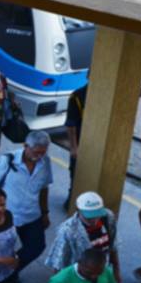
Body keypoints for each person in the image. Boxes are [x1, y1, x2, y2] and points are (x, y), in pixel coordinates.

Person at [0, 130, 53, 283]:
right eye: (36, 152)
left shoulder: (46, 162)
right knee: (0, 249)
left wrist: (45, 212)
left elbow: (44, 188)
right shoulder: (7, 161)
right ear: (25, 146)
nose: (39, 156)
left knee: (36, 247)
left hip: (32, 215)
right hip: (7, 216)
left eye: (43, 153)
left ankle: (11, 271)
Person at [45, 191, 122, 283]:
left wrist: (116, 270)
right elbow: (59, 263)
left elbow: (113, 245)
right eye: (89, 217)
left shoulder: (108, 217)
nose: (94, 220)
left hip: (102, 270)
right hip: (80, 277)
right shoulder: (68, 230)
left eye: (97, 215)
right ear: (78, 210)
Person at [64, 77, 89, 210]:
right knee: (76, 172)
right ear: (89, 77)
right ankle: (71, 200)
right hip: (80, 140)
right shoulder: (78, 96)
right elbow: (71, 125)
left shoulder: (104, 94)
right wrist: (74, 148)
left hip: (94, 141)